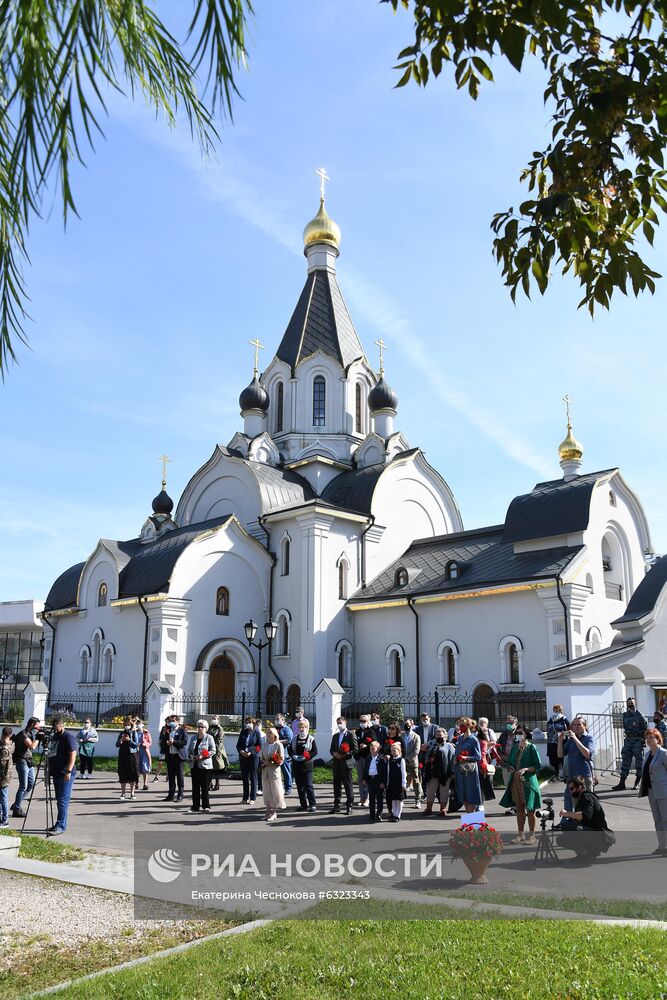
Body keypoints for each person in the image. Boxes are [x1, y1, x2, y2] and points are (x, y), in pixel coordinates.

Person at [499, 725, 542, 844]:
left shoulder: (532, 747)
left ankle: (532, 835)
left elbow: (538, 766)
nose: (518, 734)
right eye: (517, 732)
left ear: (526, 734)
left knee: (530, 809)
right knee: (519, 809)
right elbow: (510, 763)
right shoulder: (514, 748)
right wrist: (510, 768)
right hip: (516, 782)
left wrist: (526, 769)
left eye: (520, 732)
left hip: (528, 782)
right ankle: (520, 834)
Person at [557, 776, 614, 862]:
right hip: (593, 832)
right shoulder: (582, 798)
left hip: (600, 835)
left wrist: (567, 813)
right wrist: (571, 816)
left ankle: (586, 854)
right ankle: (589, 852)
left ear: (579, 787)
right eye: (569, 789)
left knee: (568, 826)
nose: (570, 791)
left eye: (572, 788)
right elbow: (581, 820)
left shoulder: (587, 797)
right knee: (561, 839)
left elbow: (586, 815)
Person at [638, 727, 667, 856]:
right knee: (657, 820)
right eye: (647, 737)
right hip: (651, 791)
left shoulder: (664, 753)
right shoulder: (648, 754)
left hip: (663, 791)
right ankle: (661, 846)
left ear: (658, 739)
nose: (649, 740)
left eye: (652, 737)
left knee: (666, 819)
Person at [47, 715, 77, 836]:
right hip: (56, 771)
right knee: (59, 799)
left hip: (65, 773)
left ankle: (61, 826)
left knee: (63, 801)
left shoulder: (68, 737)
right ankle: (59, 823)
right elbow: (52, 753)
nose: (55, 729)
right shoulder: (55, 736)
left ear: (62, 725)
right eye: (54, 727)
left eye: (57, 727)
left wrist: (68, 771)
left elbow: (73, 754)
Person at [558, 717, 596, 811]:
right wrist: (560, 741)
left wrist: (575, 738)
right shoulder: (571, 740)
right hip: (572, 776)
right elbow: (560, 754)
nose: (576, 727)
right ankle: (567, 821)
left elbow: (587, 754)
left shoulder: (589, 738)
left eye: (579, 724)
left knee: (586, 803)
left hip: (584, 776)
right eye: (574, 725)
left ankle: (586, 824)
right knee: (568, 801)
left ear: (585, 726)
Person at [612, 697, 648, 790]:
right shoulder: (625, 715)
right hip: (628, 741)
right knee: (625, 761)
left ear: (635, 704)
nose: (630, 705)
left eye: (632, 703)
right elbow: (625, 726)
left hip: (637, 741)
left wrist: (643, 740)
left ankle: (637, 783)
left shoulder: (640, 715)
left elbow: (645, 728)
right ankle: (622, 783)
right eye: (629, 703)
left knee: (639, 762)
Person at [11, 716, 40, 818]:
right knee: (23, 786)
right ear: (32, 724)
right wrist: (38, 739)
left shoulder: (30, 733)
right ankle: (17, 809)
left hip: (29, 762)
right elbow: (32, 746)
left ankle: (16, 804)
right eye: (37, 725)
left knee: (30, 785)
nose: (38, 727)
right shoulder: (24, 734)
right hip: (22, 762)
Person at [329, 717, 358, 815]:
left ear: (345, 723)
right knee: (336, 785)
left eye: (340, 723)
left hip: (346, 763)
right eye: (337, 723)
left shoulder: (351, 734)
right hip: (337, 763)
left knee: (347, 785)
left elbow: (355, 749)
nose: (339, 725)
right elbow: (331, 749)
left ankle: (349, 805)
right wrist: (334, 754)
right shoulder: (335, 736)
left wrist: (346, 753)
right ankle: (336, 805)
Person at [423, 728, 455, 816]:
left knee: (444, 791)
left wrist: (452, 772)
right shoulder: (432, 745)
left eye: (440, 735)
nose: (439, 737)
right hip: (433, 773)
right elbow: (426, 756)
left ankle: (443, 809)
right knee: (430, 790)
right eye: (437, 735)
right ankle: (428, 809)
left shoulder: (449, 746)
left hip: (445, 773)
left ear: (445, 736)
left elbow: (453, 759)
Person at [454, 717, 482, 813]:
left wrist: (466, 758)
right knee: (463, 794)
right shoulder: (459, 738)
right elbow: (456, 753)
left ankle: (472, 820)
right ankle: (469, 818)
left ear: (469, 726)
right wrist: (455, 758)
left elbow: (478, 757)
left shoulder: (473, 739)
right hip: (460, 769)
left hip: (470, 771)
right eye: (460, 724)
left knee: (471, 794)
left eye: (463, 724)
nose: (460, 726)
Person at [187, 719, 215, 813]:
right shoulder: (193, 738)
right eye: (198, 726)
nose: (199, 728)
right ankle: (195, 806)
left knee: (204, 787)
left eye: (201, 727)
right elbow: (189, 750)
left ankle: (206, 806)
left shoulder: (209, 738)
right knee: (195, 787)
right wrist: (191, 756)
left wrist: (203, 756)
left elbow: (213, 751)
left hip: (205, 766)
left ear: (206, 728)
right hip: (194, 765)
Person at [290, 719, 318, 812]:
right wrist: (293, 756)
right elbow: (290, 750)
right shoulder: (294, 738)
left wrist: (307, 756)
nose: (301, 729)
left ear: (307, 728)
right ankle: (303, 805)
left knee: (308, 786)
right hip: (296, 765)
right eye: (300, 727)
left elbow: (315, 751)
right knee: (300, 786)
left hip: (307, 766)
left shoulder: (311, 739)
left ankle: (313, 805)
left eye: (303, 727)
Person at [260, 727, 285, 822]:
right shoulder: (265, 744)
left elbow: (281, 760)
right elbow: (262, 757)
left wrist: (271, 763)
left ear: (275, 735)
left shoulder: (278, 745)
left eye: (270, 733)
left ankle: (274, 813)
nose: (268, 734)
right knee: (267, 792)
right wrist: (263, 762)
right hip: (265, 771)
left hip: (274, 772)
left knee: (274, 792)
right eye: (267, 733)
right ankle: (267, 812)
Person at [236, 716, 262, 804]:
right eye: (246, 722)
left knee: (253, 776)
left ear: (253, 723)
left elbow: (259, 746)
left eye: (249, 722)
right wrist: (241, 751)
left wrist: (251, 752)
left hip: (253, 757)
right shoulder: (243, 731)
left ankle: (253, 797)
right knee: (245, 777)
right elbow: (238, 745)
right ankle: (245, 797)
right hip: (243, 756)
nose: (247, 724)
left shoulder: (256, 732)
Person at [354, 715, 378, 806]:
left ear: (368, 722)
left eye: (364, 721)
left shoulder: (371, 731)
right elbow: (354, 743)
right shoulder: (357, 731)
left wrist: (366, 746)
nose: (362, 723)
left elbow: (375, 743)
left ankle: (367, 798)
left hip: (367, 757)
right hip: (359, 757)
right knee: (360, 779)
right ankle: (361, 797)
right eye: (361, 721)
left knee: (367, 778)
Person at [380, 742, 407, 822]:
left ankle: (398, 815)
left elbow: (403, 773)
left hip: (399, 783)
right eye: (392, 751)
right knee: (393, 800)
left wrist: (403, 784)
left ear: (399, 751)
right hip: (392, 783)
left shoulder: (401, 760)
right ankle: (394, 814)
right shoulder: (390, 760)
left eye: (395, 750)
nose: (393, 752)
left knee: (399, 800)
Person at [164, 717, 188, 802]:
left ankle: (180, 795)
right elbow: (164, 741)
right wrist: (167, 743)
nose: (171, 723)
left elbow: (184, 742)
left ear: (177, 722)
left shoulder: (182, 730)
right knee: (171, 777)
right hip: (170, 756)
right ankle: (171, 795)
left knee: (180, 777)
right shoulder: (169, 730)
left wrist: (173, 742)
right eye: (170, 721)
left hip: (179, 757)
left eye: (173, 721)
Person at [476, 719, 499, 802]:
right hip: (478, 756)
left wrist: (484, 744)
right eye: (480, 723)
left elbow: (494, 742)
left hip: (487, 756)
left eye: (483, 723)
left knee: (488, 774)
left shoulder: (490, 731)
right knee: (479, 776)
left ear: (487, 724)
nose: (481, 724)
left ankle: (487, 793)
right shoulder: (476, 732)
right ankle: (481, 796)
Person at [401, 719, 422, 807]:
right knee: (402, 780)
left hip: (412, 762)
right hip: (402, 761)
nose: (407, 726)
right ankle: (401, 799)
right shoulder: (401, 735)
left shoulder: (416, 736)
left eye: (408, 724)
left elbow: (416, 750)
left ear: (412, 725)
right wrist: (403, 759)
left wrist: (407, 759)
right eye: (405, 724)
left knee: (416, 781)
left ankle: (418, 799)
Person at [546, 705, 570, 780]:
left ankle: (564, 774)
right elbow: (548, 728)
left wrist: (562, 734)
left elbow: (569, 730)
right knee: (553, 758)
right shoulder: (551, 719)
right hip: (552, 742)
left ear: (560, 710)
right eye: (554, 709)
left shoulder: (564, 719)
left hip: (561, 742)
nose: (555, 711)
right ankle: (556, 774)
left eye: (557, 709)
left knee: (562, 757)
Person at [364, 741, 384, 823]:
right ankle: (372, 814)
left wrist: (383, 782)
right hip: (370, 780)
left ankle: (379, 814)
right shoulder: (368, 758)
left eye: (373, 749)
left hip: (378, 780)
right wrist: (364, 779)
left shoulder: (381, 759)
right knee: (371, 798)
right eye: (370, 749)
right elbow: (365, 769)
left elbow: (384, 772)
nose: (372, 750)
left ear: (378, 749)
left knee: (379, 798)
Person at [274, 714, 293, 796]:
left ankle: (288, 788)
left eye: (278, 719)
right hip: (275, 753)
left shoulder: (286, 729)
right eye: (276, 719)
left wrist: (279, 742)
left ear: (282, 720)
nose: (277, 720)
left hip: (284, 754)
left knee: (286, 771)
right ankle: (277, 788)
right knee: (275, 772)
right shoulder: (275, 729)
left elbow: (289, 740)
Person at [117, 729, 139, 800]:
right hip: (122, 756)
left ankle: (132, 793)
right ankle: (123, 793)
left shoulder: (134, 733)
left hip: (131, 756)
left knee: (132, 774)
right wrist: (120, 741)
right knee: (122, 774)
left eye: (128, 724)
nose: (127, 726)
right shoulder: (122, 733)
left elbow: (135, 745)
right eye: (126, 724)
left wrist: (129, 740)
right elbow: (116, 745)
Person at [208, 716, 228, 791]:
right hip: (209, 749)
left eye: (215, 719)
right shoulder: (209, 727)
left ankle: (217, 783)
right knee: (209, 768)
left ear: (218, 720)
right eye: (212, 718)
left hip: (217, 750)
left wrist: (214, 746)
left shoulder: (220, 729)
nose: (213, 720)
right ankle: (209, 783)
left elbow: (220, 740)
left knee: (217, 768)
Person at [153, 714, 173, 782]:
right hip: (163, 747)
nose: (166, 723)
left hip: (170, 748)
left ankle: (168, 776)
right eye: (166, 722)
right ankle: (156, 776)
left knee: (169, 763)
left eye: (168, 722)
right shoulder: (163, 728)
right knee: (160, 762)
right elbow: (161, 737)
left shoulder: (172, 728)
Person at [0, 726, 13, 828]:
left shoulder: (4, 749)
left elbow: (2, 764)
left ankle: (5, 820)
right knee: (2, 798)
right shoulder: (11, 744)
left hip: (3, 777)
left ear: (2, 735)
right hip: (7, 776)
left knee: (3, 799)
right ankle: (2, 818)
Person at [135, 720, 152, 790]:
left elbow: (150, 741)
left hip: (144, 751)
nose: (139, 725)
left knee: (145, 767)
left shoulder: (146, 732)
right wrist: (136, 744)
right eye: (137, 724)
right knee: (137, 767)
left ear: (142, 724)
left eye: (140, 723)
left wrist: (146, 744)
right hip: (136, 751)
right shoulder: (134, 732)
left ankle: (145, 784)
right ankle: (136, 783)